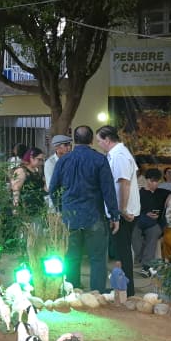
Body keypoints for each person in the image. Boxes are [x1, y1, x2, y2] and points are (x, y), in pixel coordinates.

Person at [49, 125, 120, 292]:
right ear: (91, 140)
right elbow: (108, 190)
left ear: (74, 140)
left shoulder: (63, 160)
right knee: (97, 258)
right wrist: (114, 216)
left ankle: (72, 291)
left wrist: (61, 210)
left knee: (72, 257)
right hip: (94, 215)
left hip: (70, 217)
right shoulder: (100, 159)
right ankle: (97, 294)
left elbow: (53, 189)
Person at [96, 126, 140, 296]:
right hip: (120, 210)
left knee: (123, 251)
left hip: (123, 212)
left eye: (99, 141)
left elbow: (124, 184)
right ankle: (123, 287)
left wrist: (121, 210)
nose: (98, 144)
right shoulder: (117, 154)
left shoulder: (120, 155)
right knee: (120, 250)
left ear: (107, 140)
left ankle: (126, 290)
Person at [133, 168, 169, 268]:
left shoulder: (161, 192)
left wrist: (170, 197)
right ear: (147, 180)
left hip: (154, 223)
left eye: (157, 181)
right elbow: (134, 210)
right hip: (140, 221)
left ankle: (146, 264)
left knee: (154, 232)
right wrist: (145, 214)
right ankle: (142, 257)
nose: (155, 184)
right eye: (152, 181)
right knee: (133, 232)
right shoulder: (138, 193)